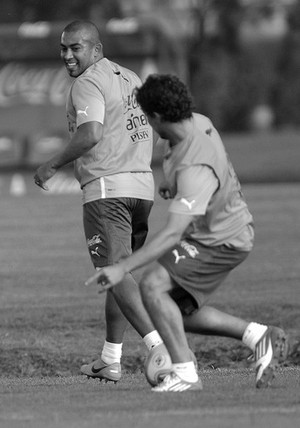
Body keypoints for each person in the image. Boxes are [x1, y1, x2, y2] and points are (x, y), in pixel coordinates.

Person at [86, 74, 288, 392]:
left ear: (156, 117)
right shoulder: (195, 122)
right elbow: (180, 160)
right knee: (171, 310)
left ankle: (185, 374)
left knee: (152, 285)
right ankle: (258, 337)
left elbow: (171, 233)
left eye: (146, 117)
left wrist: (121, 267)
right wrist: (172, 184)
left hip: (222, 239)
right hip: (219, 231)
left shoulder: (195, 165)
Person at [34, 20, 165, 383]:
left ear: (96, 49)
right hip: (141, 189)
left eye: (76, 47)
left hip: (107, 190)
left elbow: (91, 134)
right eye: (63, 48)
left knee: (115, 271)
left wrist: (51, 164)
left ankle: (160, 347)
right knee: (119, 273)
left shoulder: (87, 82)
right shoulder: (132, 78)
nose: (68, 55)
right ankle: (110, 358)